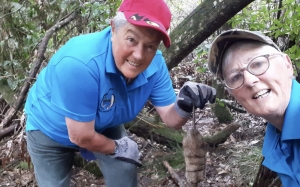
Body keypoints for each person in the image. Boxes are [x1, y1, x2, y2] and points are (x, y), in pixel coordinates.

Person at [24, 0, 216, 186]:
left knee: (125, 167)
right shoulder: (80, 63)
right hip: (49, 129)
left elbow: (171, 119)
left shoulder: (155, 64)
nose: (139, 55)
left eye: (150, 46)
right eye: (131, 39)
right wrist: (119, 147)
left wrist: (184, 103)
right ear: (113, 29)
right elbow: (80, 136)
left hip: (105, 123)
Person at [208, 29, 300, 186]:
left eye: (258, 64)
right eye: (236, 77)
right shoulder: (275, 142)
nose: (250, 81)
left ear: (287, 64)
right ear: (232, 94)